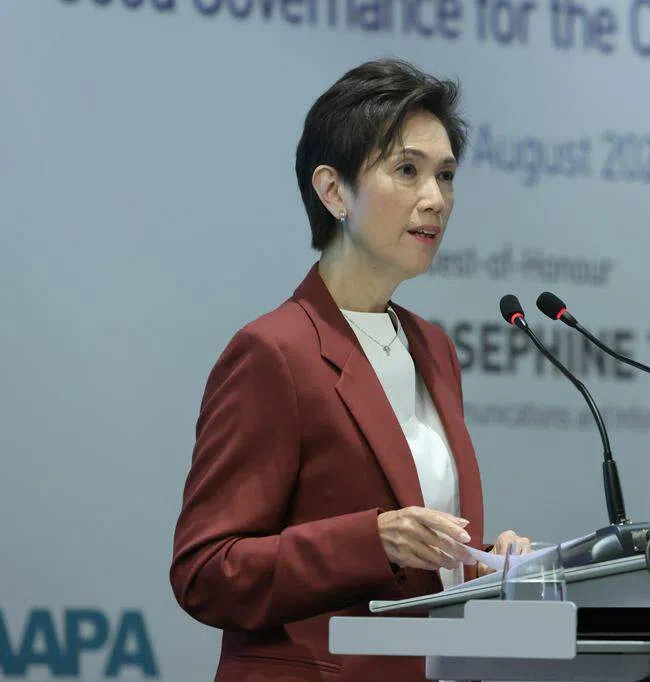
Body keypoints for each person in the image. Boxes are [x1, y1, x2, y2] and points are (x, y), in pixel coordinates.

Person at [170, 58, 531, 682]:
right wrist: (373, 540)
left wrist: (481, 566)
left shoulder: (433, 348)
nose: (436, 199)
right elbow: (206, 573)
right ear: (334, 191)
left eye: (446, 175)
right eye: (408, 170)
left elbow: (422, 570)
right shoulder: (274, 352)